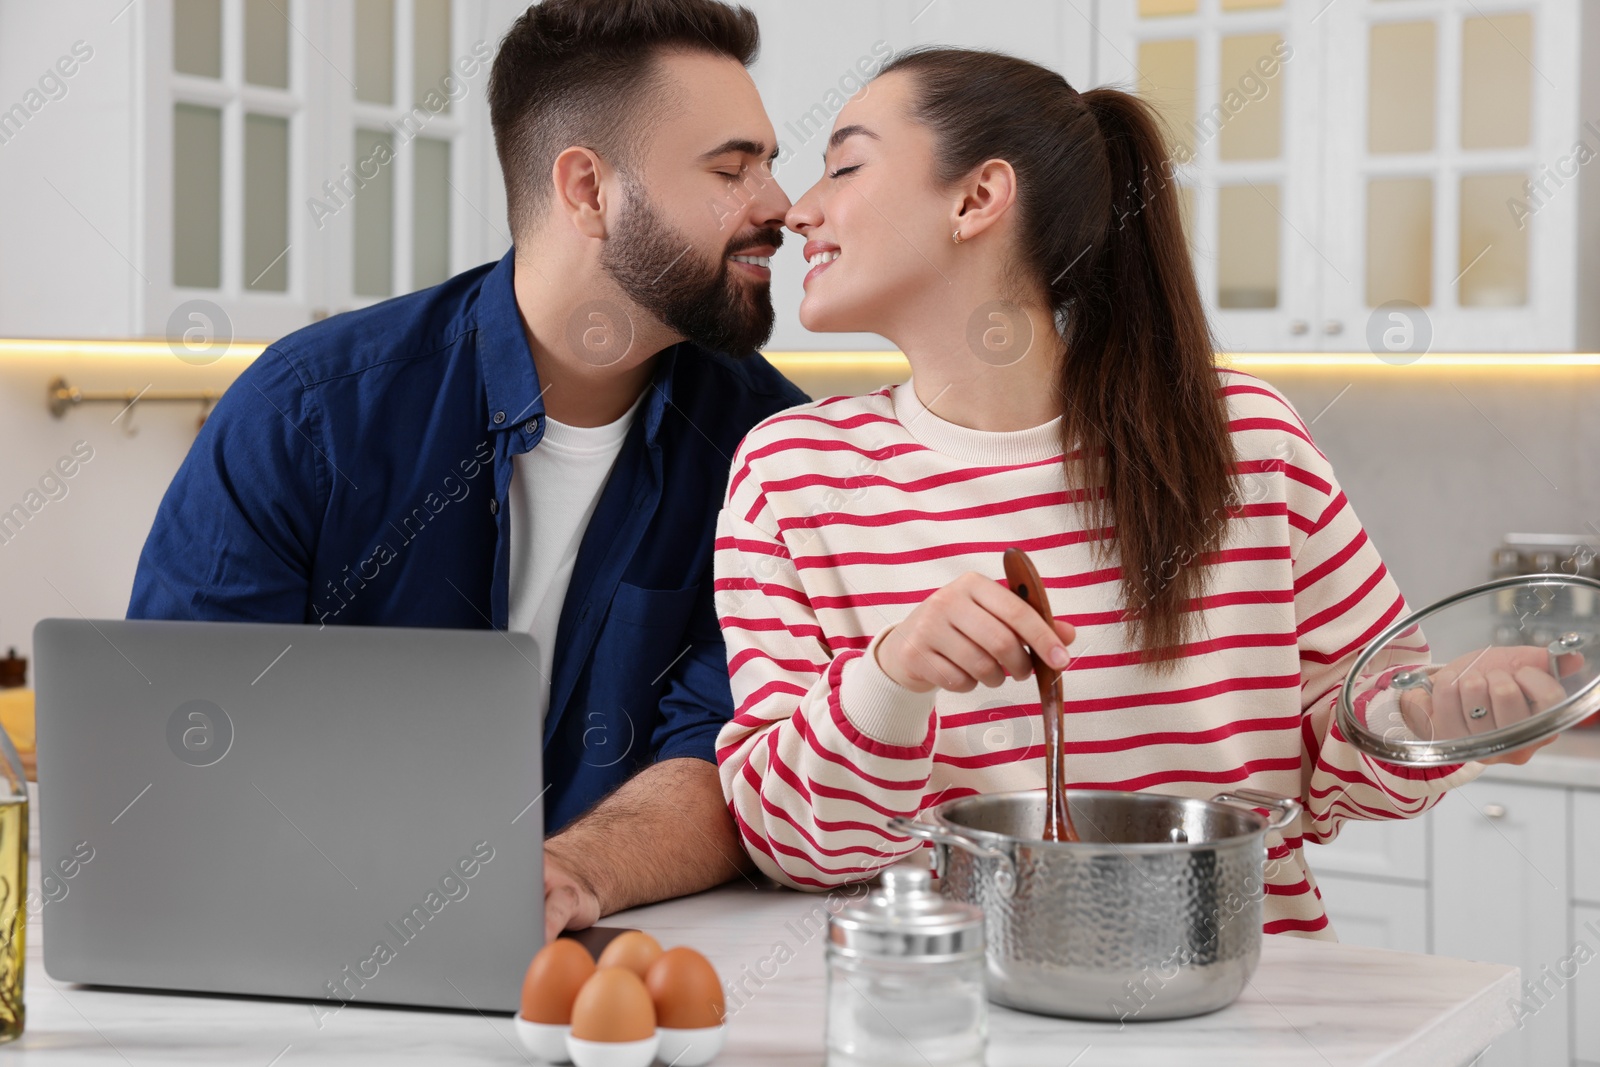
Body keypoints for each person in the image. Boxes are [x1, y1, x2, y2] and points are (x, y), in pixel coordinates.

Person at [712, 47, 1563, 936]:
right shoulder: (791, 474)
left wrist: (1446, 716)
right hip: (960, 1015)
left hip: (1242, 1008)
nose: (798, 211)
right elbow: (789, 843)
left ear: (975, 199)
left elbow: (1348, 747)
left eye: (844, 165)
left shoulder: (1241, 437)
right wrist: (891, 678)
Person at [130, 0, 805, 940]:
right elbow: (185, 740)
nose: (784, 205)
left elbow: (736, 755)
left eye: (771, 164)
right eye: (733, 169)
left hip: (633, 953)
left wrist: (568, 872)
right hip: (310, 953)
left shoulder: (775, 448)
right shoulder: (308, 414)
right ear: (587, 190)